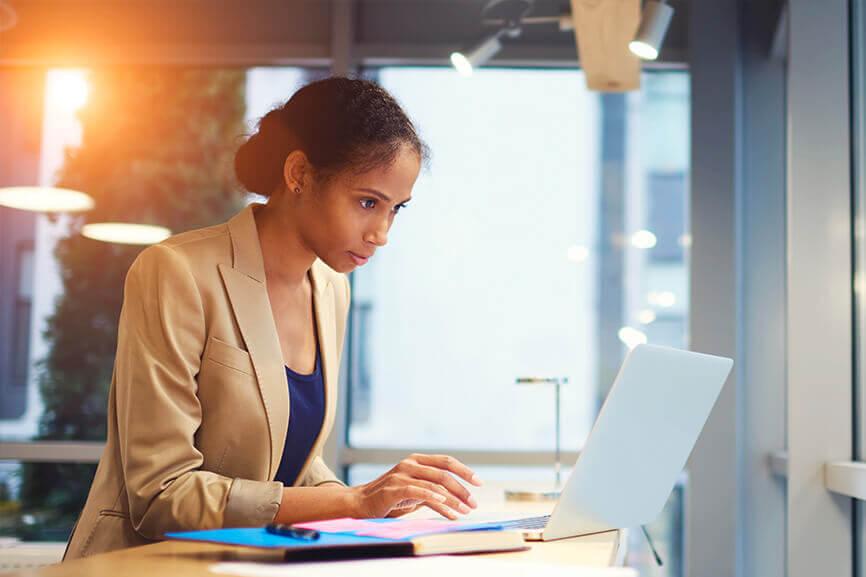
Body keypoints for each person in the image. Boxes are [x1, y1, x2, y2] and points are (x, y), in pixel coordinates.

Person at [63, 77, 482, 560]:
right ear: (299, 173)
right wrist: (353, 501)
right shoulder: (176, 271)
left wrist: (378, 502)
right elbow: (161, 495)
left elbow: (291, 470)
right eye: (368, 203)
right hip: (146, 565)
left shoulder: (331, 290)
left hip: (251, 565)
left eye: (396, 209)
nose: (381, 233)